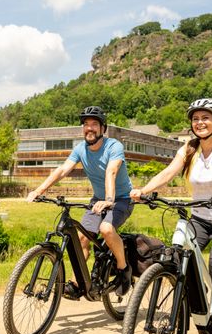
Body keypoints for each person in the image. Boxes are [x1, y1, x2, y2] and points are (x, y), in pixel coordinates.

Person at [129, 98, 212, 334]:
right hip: (200, 219)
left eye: (205, 118)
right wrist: (143, 190)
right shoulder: (188, 148)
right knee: (174, 256)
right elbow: (168, 173)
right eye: (195, 119)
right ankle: (193, 309)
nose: (200, 122)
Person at [26, 106, 134, 298]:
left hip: (121, 199)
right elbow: (62, 170)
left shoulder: (114, 146)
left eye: (94, 124)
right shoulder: (80, 149)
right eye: (86, 125)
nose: (89, 128)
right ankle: (79, 284)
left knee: (107, 229)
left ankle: (123, 269)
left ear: (103, 128)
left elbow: (111, 171)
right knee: (81, 239)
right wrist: (38, 190)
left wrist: (109, 200)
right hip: (98, 200)